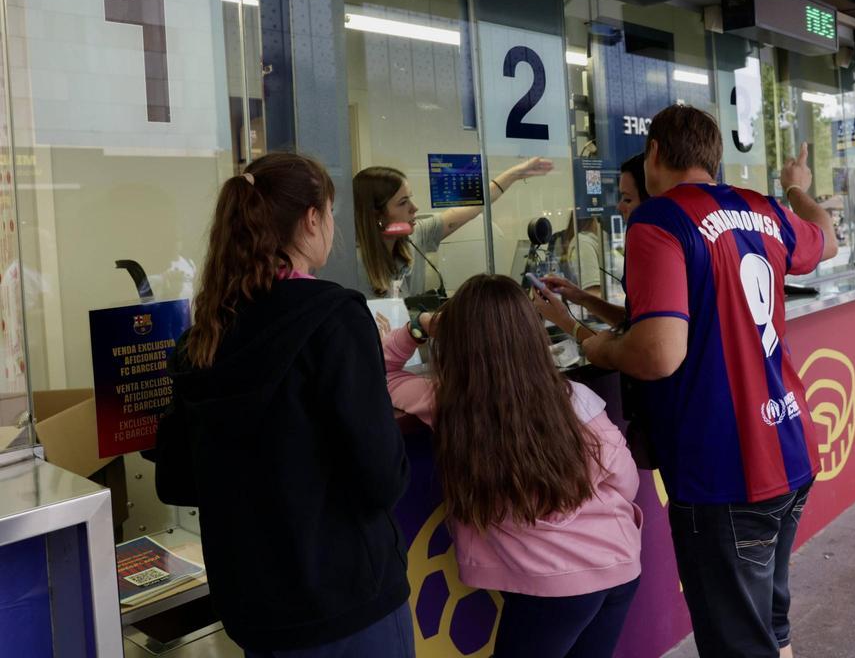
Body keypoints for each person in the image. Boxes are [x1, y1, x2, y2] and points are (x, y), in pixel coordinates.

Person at [575, 105, 837, 658]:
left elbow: (659, 353)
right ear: (713, 158)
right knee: (770, 627)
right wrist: (795, 188)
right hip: (791, 449)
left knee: (739, 645)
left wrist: (594, 345)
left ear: (653, 155)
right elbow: (827, 240)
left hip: (725, 474)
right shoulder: (763, 208)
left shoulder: (659, 221)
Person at [154, 154, 414, 656]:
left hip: (257, 612)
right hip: (349, 606)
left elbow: (177, 479)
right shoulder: (334, 318)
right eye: (330, 214)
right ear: (311, 219)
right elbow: (382, 478)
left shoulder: (204, 334)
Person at [383, 275, 641, 658]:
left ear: (456, 342)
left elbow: (382, 371)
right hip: (619, 567)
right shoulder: (575, 400)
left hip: (550, 586)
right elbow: (626, 480)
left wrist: (419, 327)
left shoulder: (447, 403)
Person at [353, 157, 552, 298]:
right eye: (403, 202)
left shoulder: (415, 237)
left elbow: (472, 207)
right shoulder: (353, 265)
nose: (414, 208)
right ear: (376, 214)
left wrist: (515, 174)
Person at [543, 153, 649, 329]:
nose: (618, 207)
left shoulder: (655, 250)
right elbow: (635, 323)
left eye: (627, 199)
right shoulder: (587, 240)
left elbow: (646, 334)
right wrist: (581, 298)